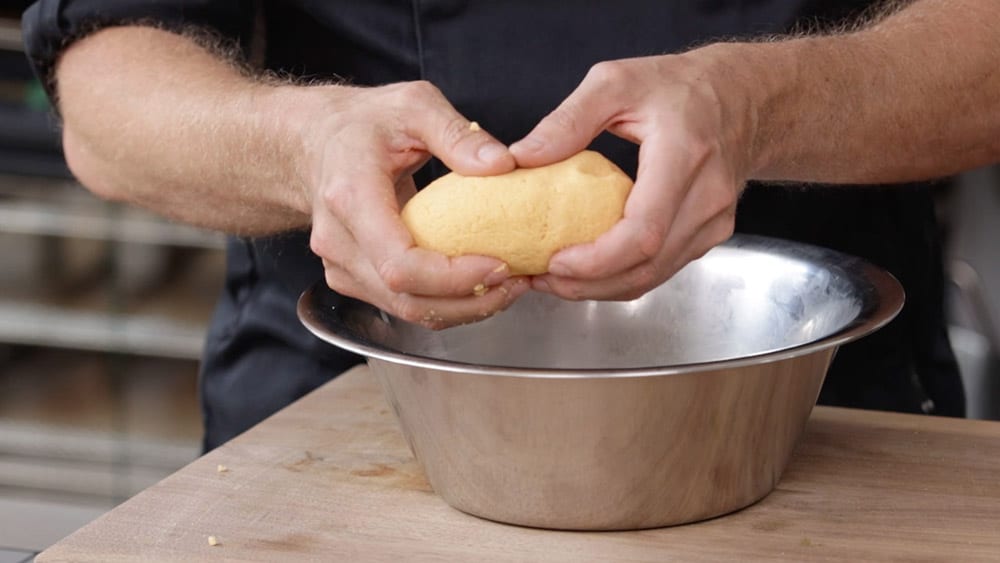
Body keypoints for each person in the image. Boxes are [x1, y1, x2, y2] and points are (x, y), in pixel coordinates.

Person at [22, 0, 999, 450]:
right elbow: (108, 102)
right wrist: (302, 143)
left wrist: (761, 109)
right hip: (350, 431)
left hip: (814, 421)